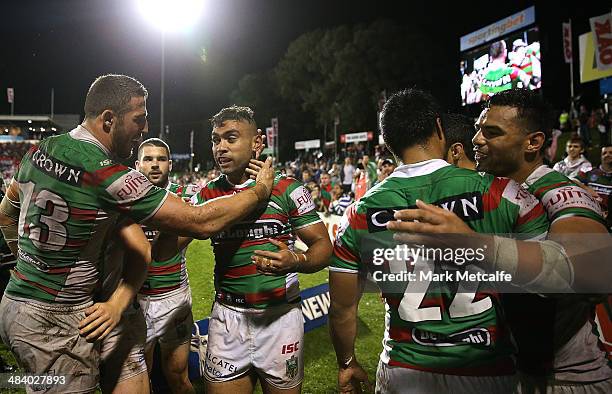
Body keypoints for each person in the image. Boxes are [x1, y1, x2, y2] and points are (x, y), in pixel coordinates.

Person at [0, 74, 275, 393]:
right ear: (108, 119)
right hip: (51, 319)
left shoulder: (39, 151)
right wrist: (259, 192)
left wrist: (27, 263)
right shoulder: (109, 174)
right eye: (139, 119)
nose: (144, 129)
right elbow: (200, 222)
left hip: (65, 304)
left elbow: (6, 214)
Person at [390, 89, 612, 392]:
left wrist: (473, 244)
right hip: (513, 372)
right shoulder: (490, 193)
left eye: (492, 133)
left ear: (533, 143)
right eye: (479, 129)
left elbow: (597, 271)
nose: (477, 140)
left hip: (567, 378)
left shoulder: (558, 190)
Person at [329, 88, 549, 393]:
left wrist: (347, 362)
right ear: (440, 127)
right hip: (487, 369)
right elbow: (555, 277)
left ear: (387, 142)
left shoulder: (358, 214)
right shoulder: (505, 194)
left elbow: (342, 309)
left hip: (403, 369)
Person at [190, 105, 332, 394]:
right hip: (228, 317)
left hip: (280, 317)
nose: (221, 148)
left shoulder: (289, 189)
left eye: (231, 138)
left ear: (257, 143)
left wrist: (296, 260)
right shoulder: (207, 195)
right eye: (216, 140)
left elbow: (323, 246)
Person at [134, 138, 198, 394]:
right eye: (148, 159)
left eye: (161, 159)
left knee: (177, 376)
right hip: (136, 299)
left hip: (173, 296)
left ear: (170, 164)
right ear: (137, 164)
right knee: (140, 377)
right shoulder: (123, 200)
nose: (155, 165)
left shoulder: (185, 198)